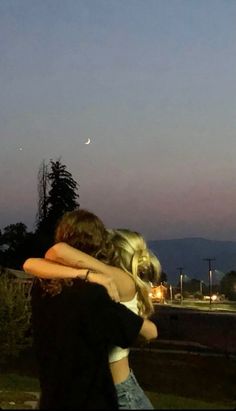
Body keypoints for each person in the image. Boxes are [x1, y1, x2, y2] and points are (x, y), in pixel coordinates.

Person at [24, 209, 157, 410]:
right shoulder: (95, 289)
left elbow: (46, 257)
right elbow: (39, 260)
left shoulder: (116, 280)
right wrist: (87, 274)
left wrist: (87, 274)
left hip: (58, 392)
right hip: (112, 390)